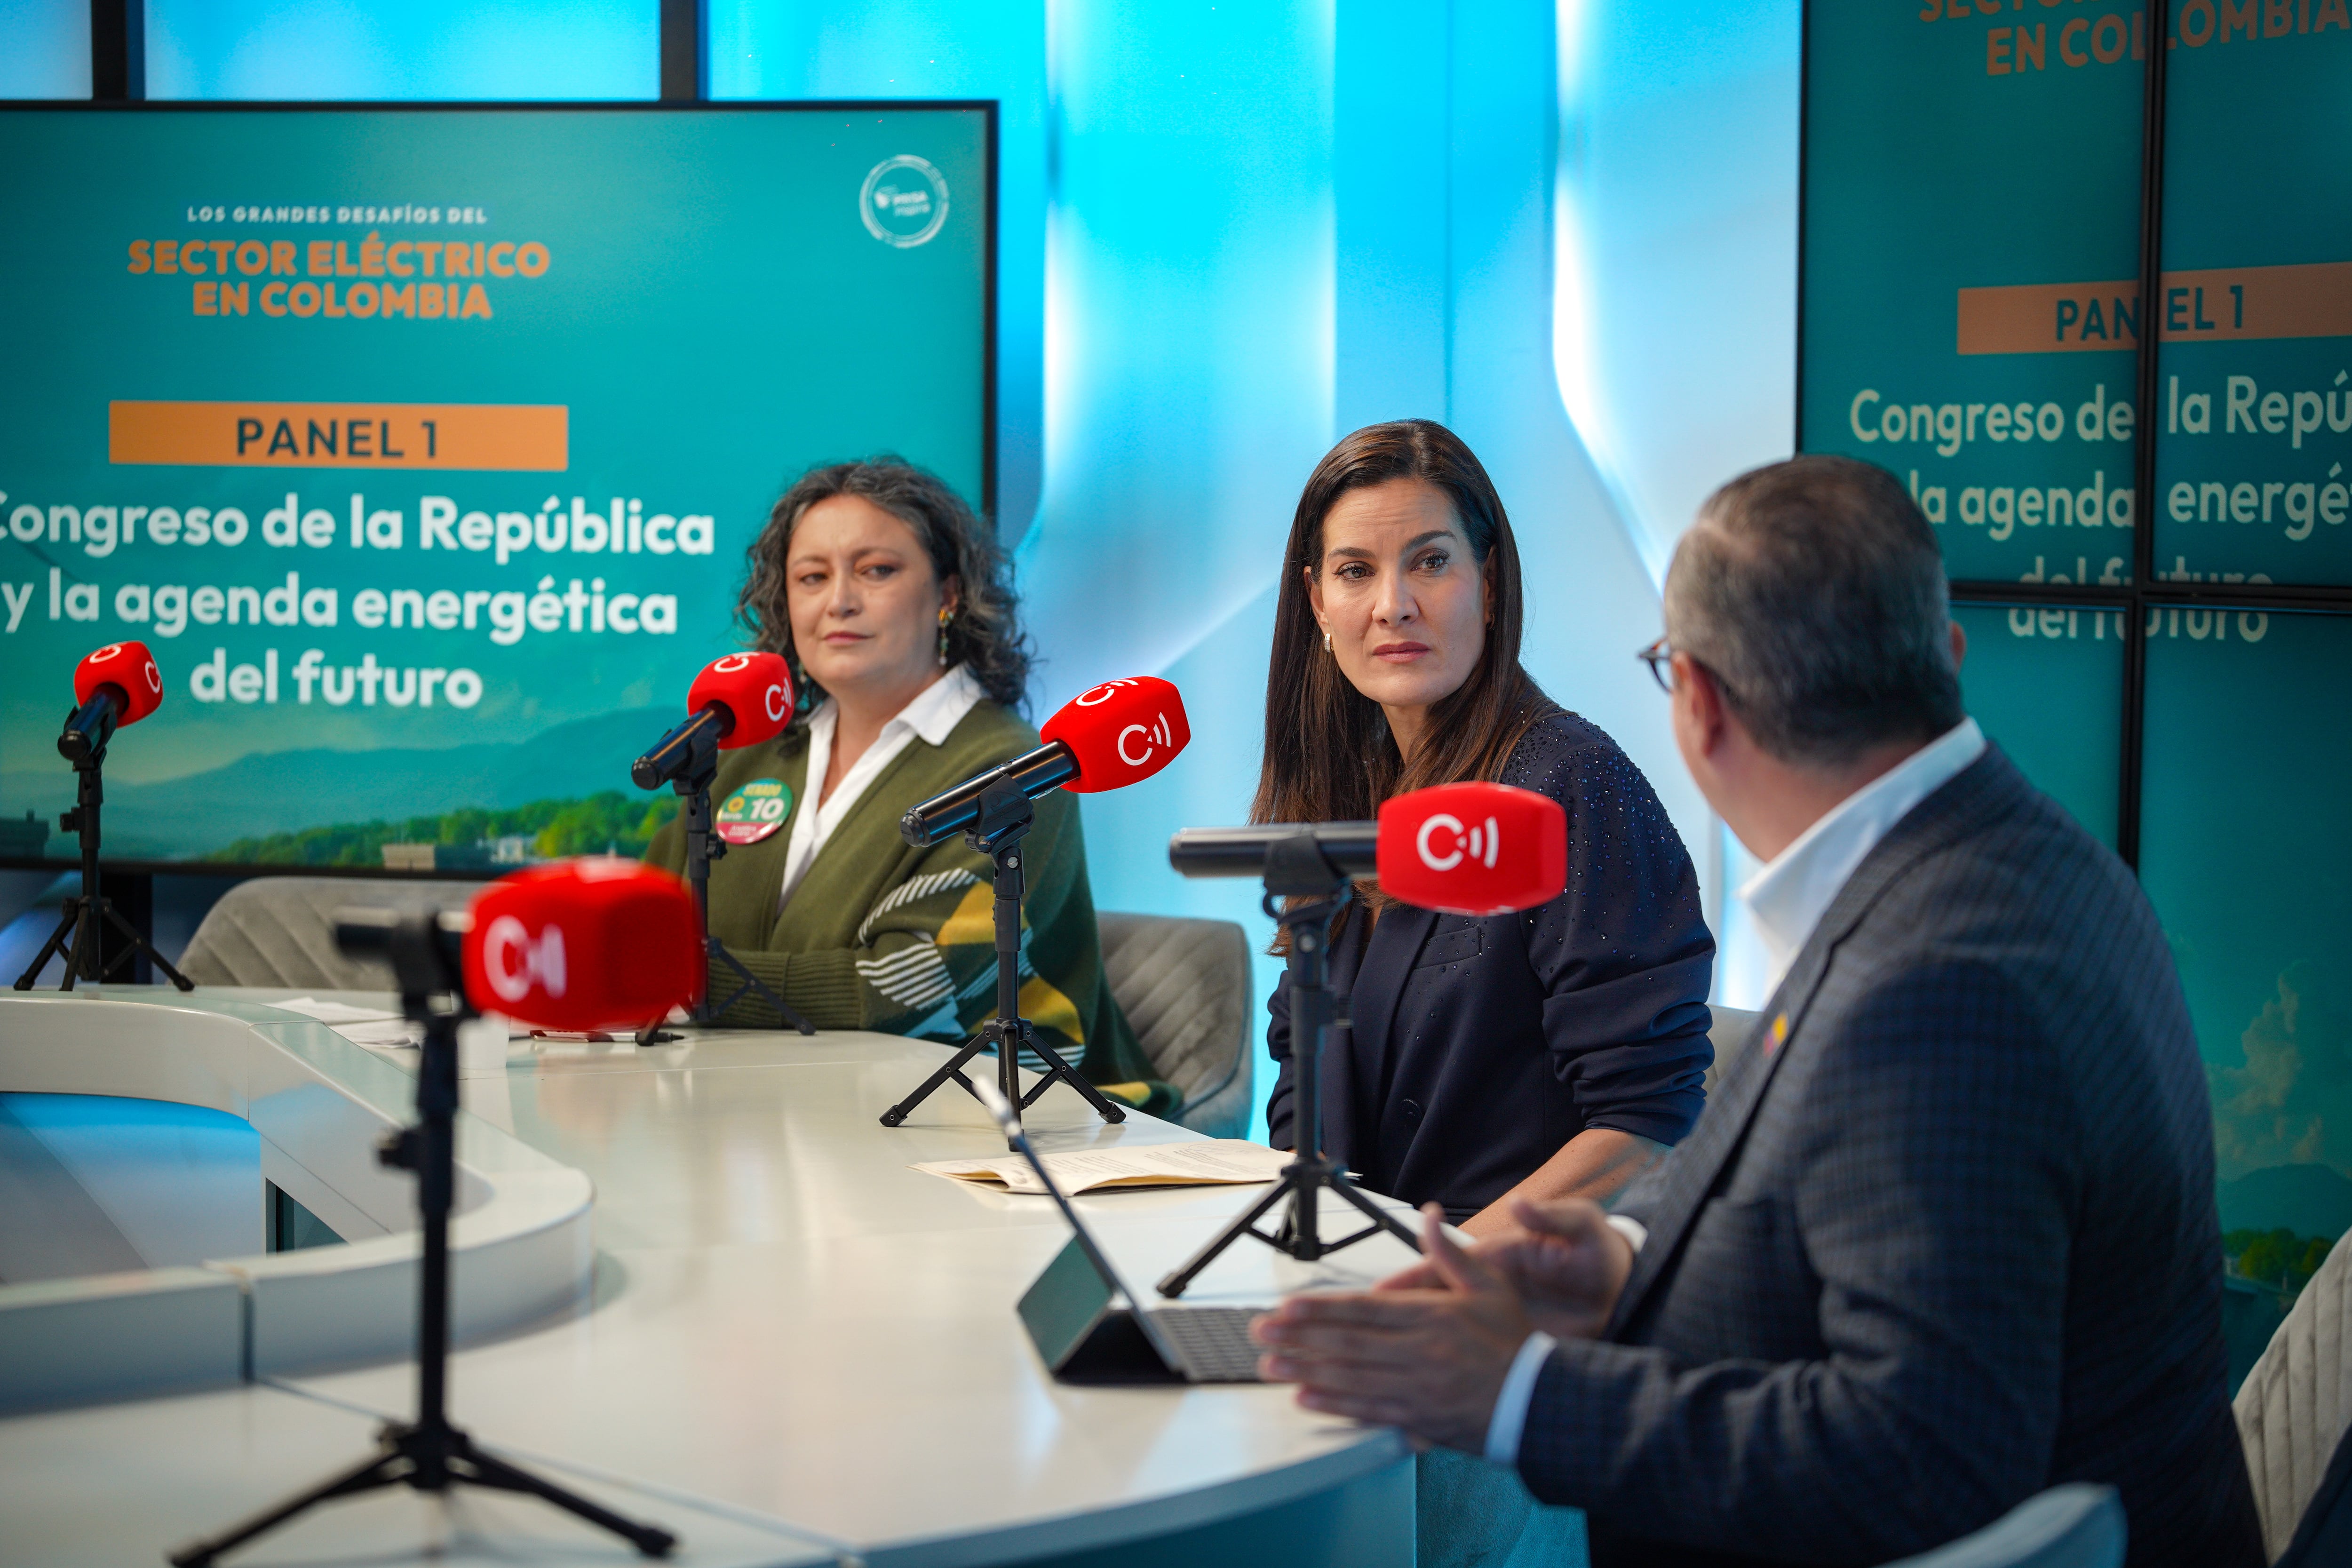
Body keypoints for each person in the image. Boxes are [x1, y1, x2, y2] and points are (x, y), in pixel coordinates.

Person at [1251, 455, 2264, 1567]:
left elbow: (1920, 1457)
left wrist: (1519, 1394)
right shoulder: (2014, 857)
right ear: (1948, 655)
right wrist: (1626, 1257)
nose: (1392, 601)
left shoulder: (1939, 984)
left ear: (1698, 702)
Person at [1258, 420, 1715, 1234]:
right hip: (1363, 1266)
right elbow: (1302, 1063)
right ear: (1317, 601)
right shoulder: (1338, 796)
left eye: (1432, 561)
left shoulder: (1570, 781)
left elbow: (1643, 1124)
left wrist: (1442, 1272)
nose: (1394, 605)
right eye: (1356, 571)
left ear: (1490, 583)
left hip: (1507, 1289)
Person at [644, 459, 1171, 1116]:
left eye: (877, 570)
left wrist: (686, 979)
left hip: (992, 1123)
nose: (839, 600)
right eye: (812, 577)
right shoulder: (745, 756)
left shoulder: (1015, 770)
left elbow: (910, 982)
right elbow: (647, 916)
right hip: (763, 1105)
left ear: (949, 593)